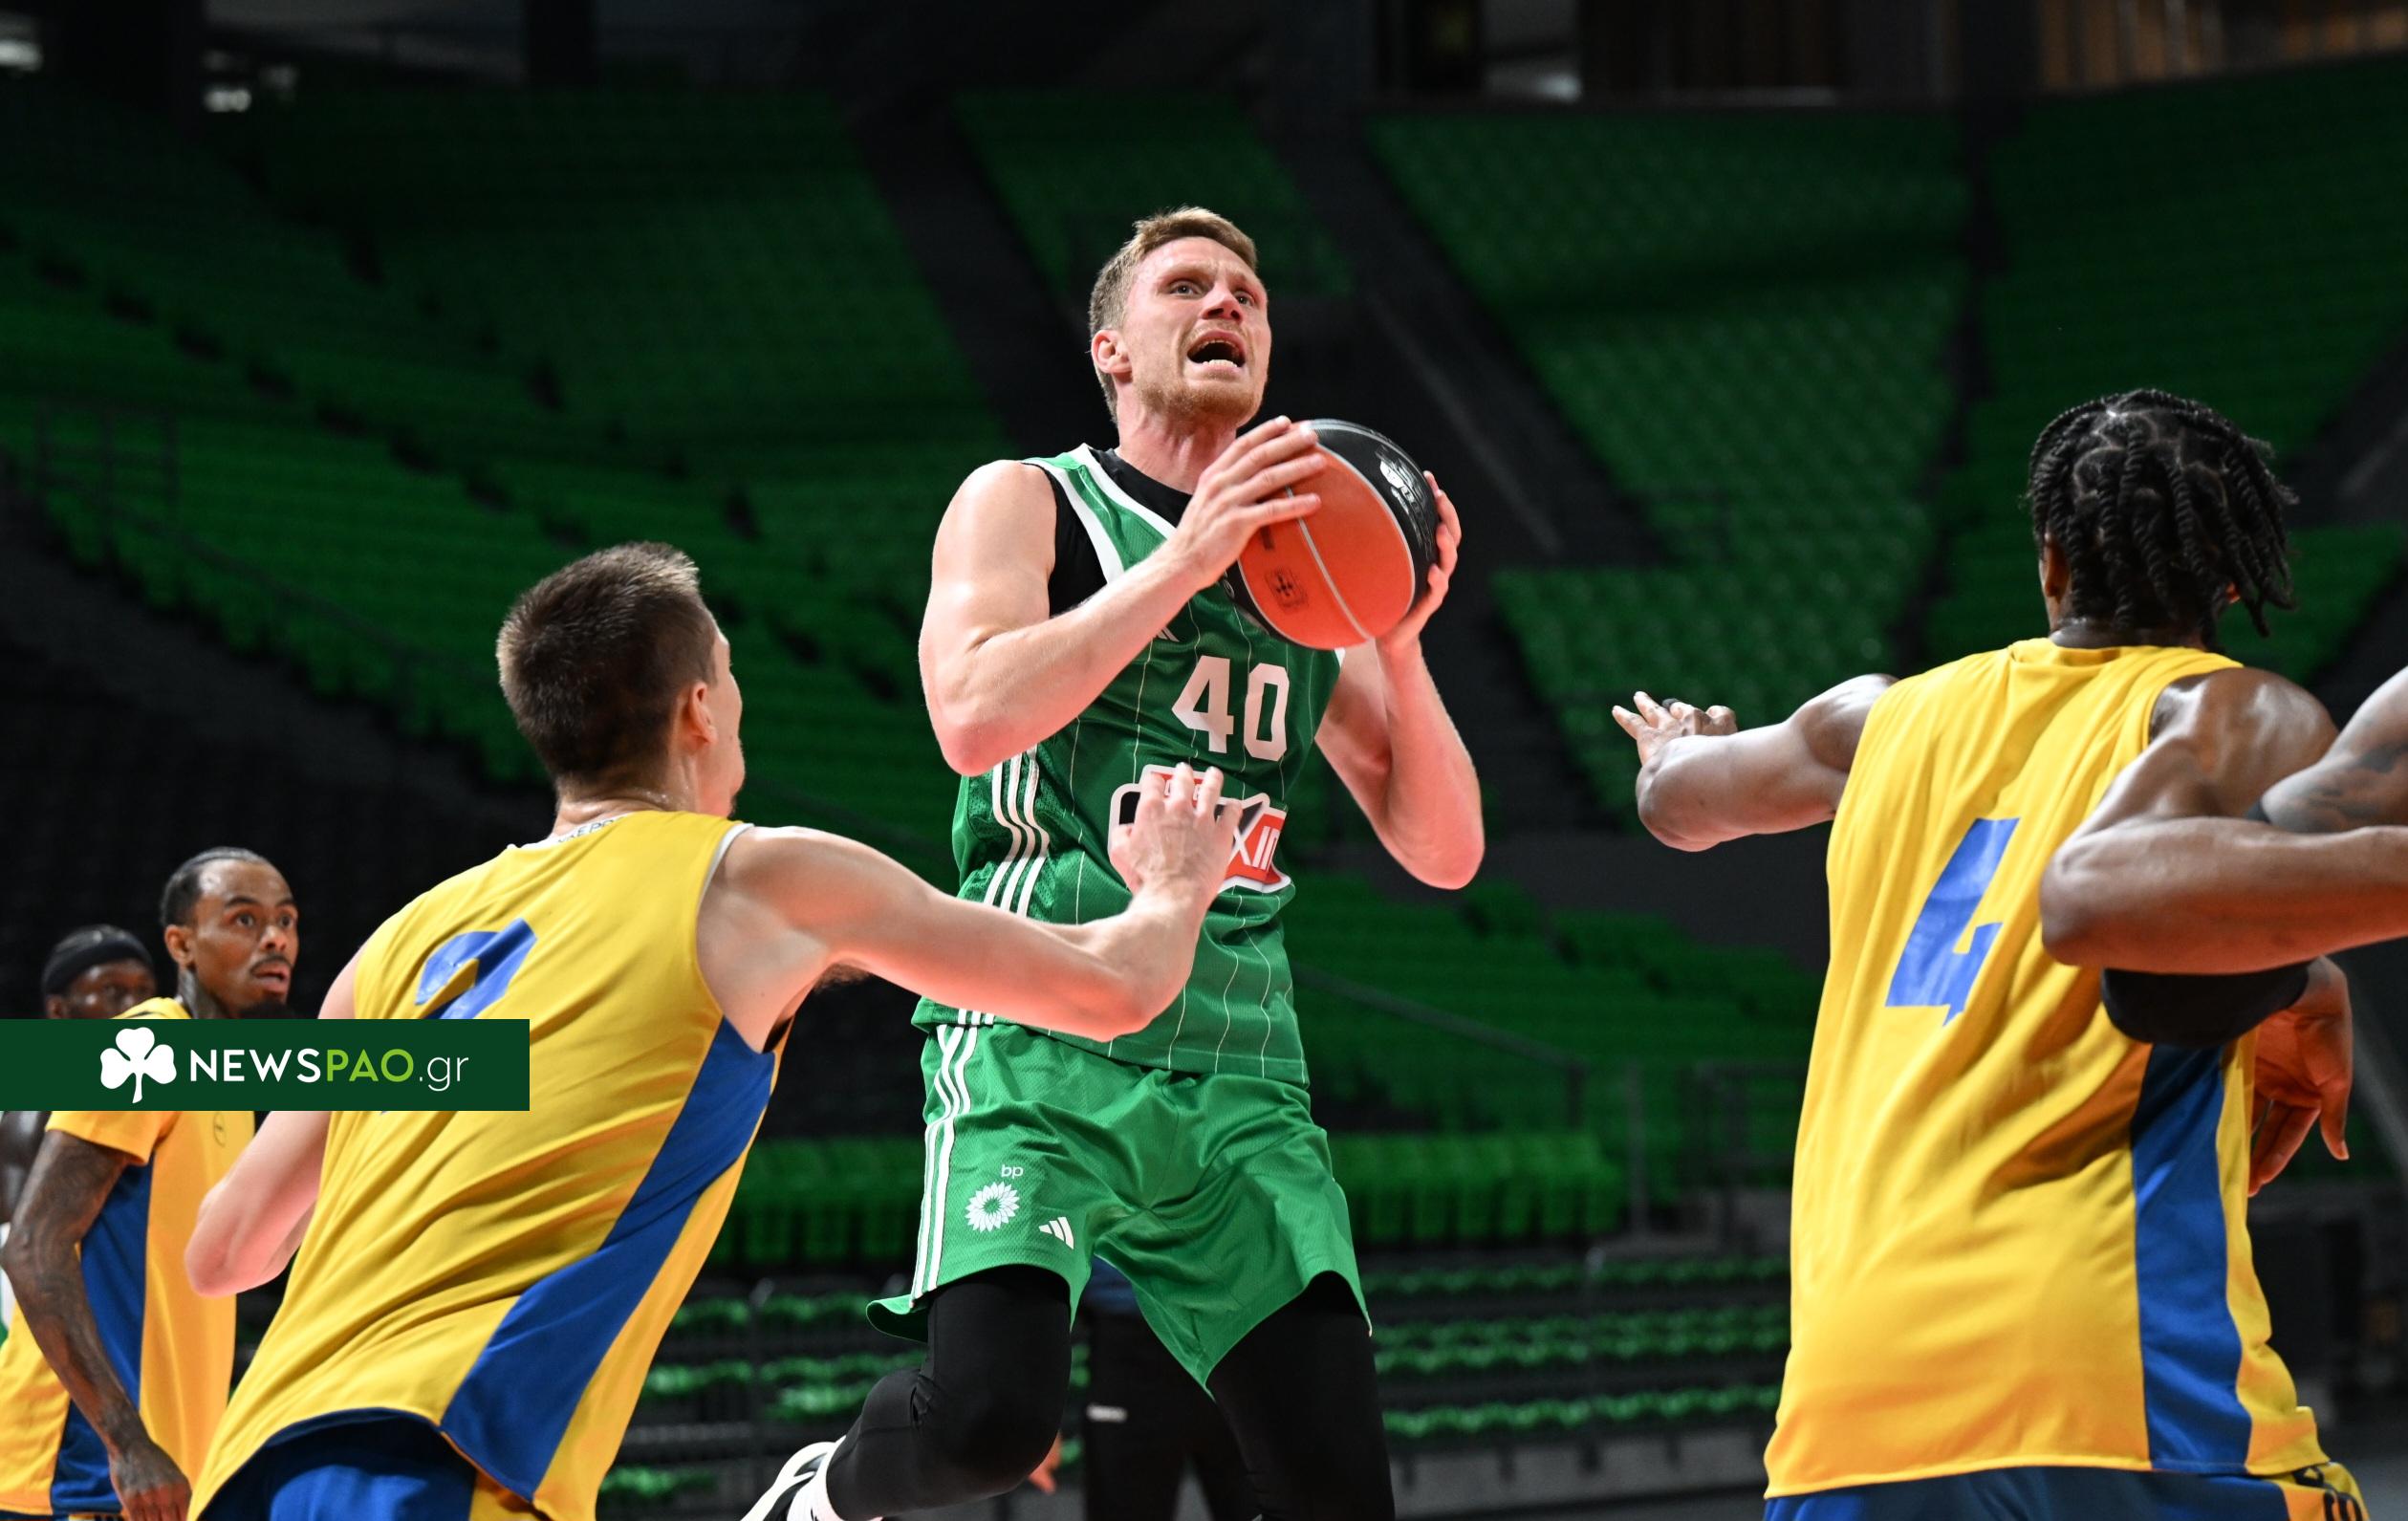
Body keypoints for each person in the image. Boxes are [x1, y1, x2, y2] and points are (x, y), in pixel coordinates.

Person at [179, 542, 1240, 1521]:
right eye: (730, 679)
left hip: (250, 1462)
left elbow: (226, 1251)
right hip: (441, 1457)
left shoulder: (400, 944)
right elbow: (1114, 987)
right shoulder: (753, 881)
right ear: (697, 710)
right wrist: (1176, 883)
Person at [758, 206, 1484, 1521]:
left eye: (1247, 295)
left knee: (1339, 1494)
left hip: (1239, 1061)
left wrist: (1398, 635)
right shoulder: (1026, 497)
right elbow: (970, 715)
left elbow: (1442, 850)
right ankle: (824, 1492)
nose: (1227, 306)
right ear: (1110, 347)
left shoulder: (1302, 570)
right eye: (1186, 287)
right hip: (1042, 1016)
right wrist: (1186, 558)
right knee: (986, 1423)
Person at [1613, 391, 2366, 1518]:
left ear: (2050, 558)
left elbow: (1675, 807)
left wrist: (1673, 748)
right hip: (2104, 1371)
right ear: (2225, 578)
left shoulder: (1874, 720)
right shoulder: (2234, 715)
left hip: (1847, 1407)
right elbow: (2172, 924)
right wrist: (2308, 983)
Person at [0, 856, 294, 1521]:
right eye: (244, 920)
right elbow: (33, 1246)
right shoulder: (148, 1042)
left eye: (286, 920)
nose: (274, 938)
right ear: (181, 945)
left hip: (161, 1470)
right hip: (81, 1472)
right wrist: (127, 1443)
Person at [2039, 663, 2408, 1191]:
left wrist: (2286, 974)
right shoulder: (2252, 711)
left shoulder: (1910, 712)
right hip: (2089, 1218)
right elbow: (2117, 937)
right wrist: (2280, 972)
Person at [1, 927, 161, 1332]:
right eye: (112, 992)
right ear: (59, 1011)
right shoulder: (43, 1093)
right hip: (23, 1300)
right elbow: (26, 1243)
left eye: (144, 992)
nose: (134, 1007)